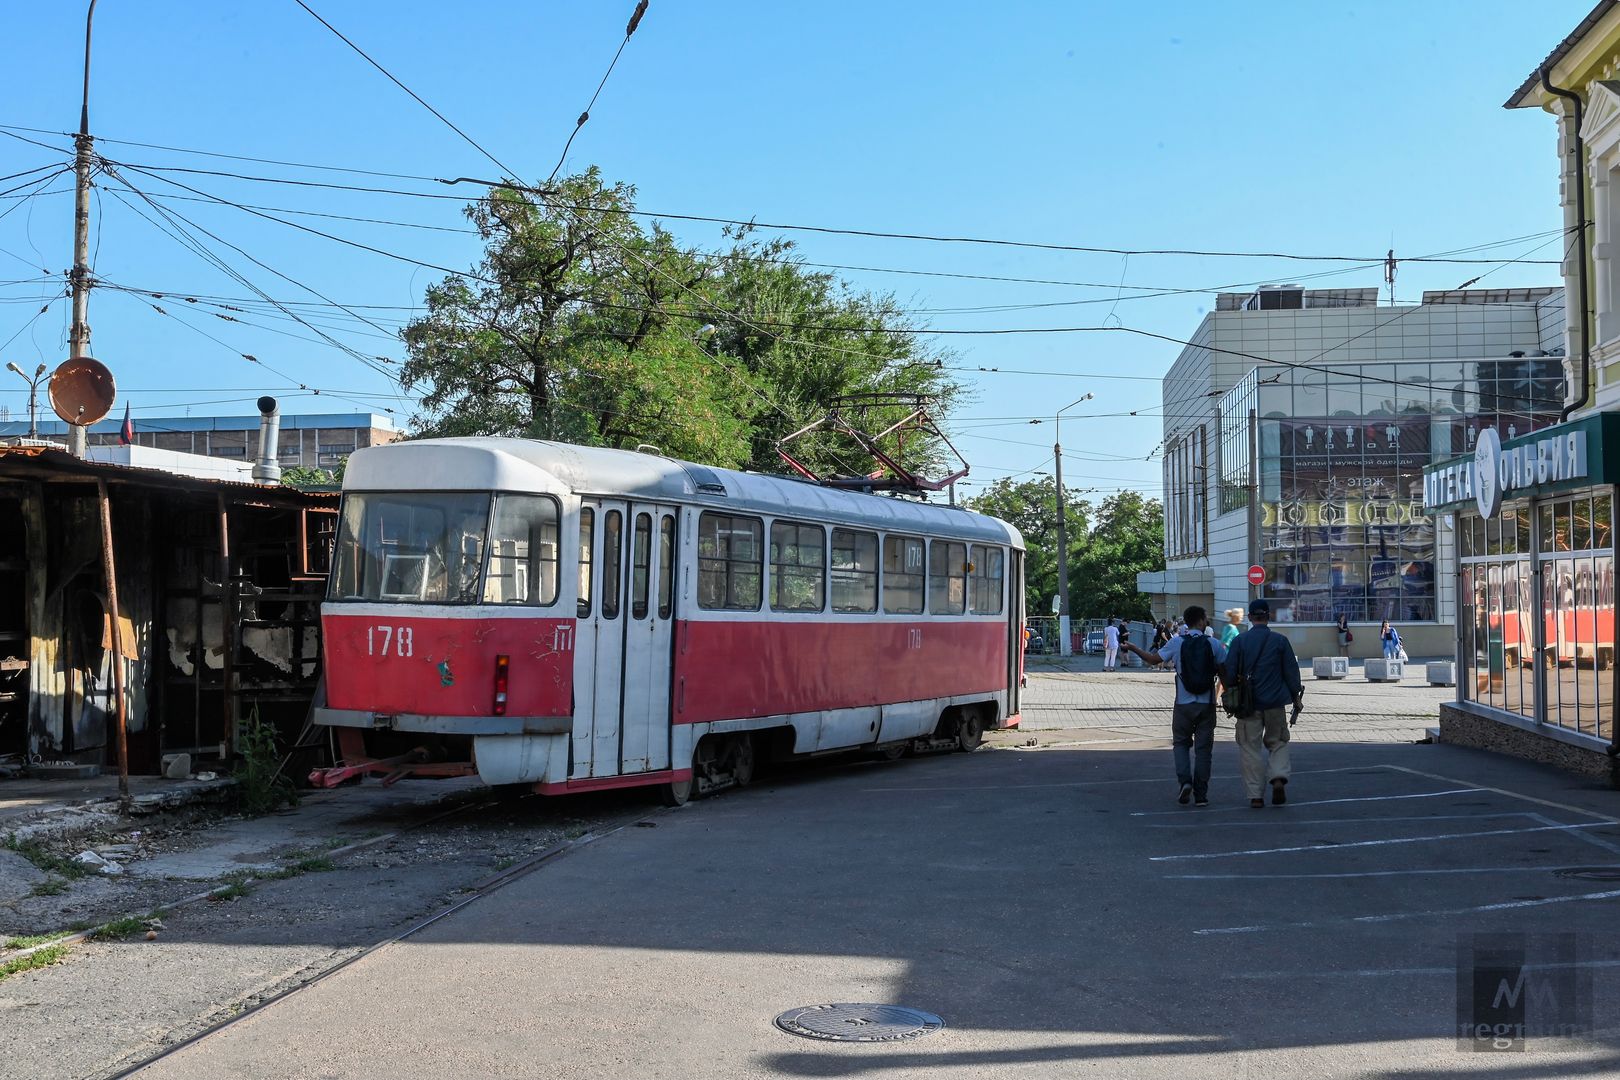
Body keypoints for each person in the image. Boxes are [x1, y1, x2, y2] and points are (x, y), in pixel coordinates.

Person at [1121, 605, 1227, 807]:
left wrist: (1133, 647)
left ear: (1186, 622)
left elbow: (1153, 660)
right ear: (1202, 621)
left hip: (1183, 704)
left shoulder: (1177, 643)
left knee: (1180, 744)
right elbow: (1225, 672)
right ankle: (1201, 794)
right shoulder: (1214, 644)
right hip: (1207, 704)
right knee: (1204, 750)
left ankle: (1185, 781)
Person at [1223, 598, 1304, 809]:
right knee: (1278, 742)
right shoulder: (1280, 641)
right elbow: (1292, 673)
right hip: (1276, 701)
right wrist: (1295, 696)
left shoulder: (1240, 641)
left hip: (1247, 704)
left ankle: (1256, 796)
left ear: (1250, 618)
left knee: (1250, 747)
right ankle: (1278, 777)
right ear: (1268, 617)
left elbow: (1230, 673)